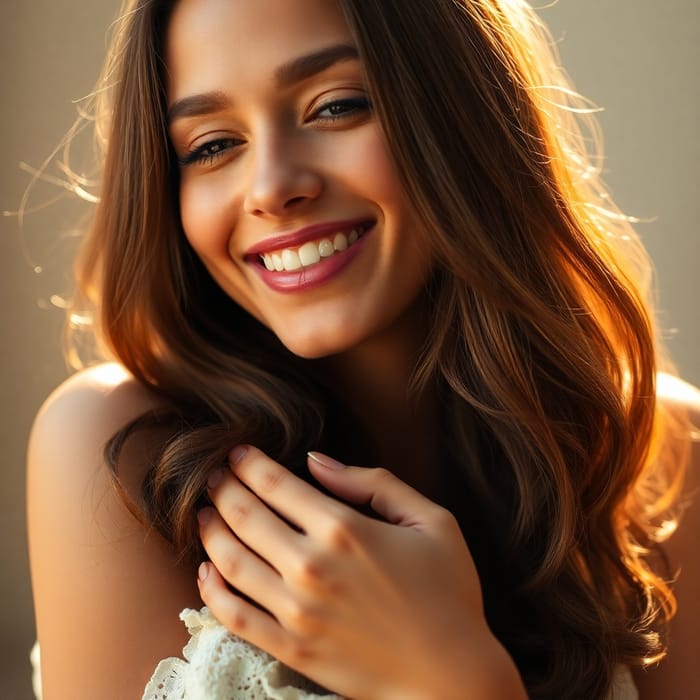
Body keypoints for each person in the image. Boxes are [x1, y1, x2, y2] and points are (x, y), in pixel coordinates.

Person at [26, 0, 700, 698]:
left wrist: (452, 677)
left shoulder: (666, 454)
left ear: (464, 108)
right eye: (212, 146)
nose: (273, 188)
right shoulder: (117, 452)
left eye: (336, 106)